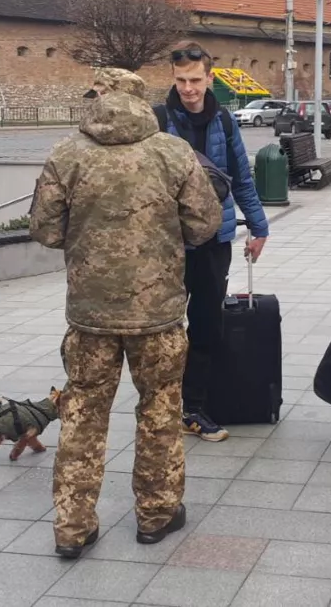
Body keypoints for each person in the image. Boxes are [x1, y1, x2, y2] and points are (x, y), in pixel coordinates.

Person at [30, 67, 222, 560]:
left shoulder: (66, 153)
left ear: (98, 97)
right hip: (157, 315)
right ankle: (156, 516)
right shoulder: (172, 152)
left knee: (83, 415)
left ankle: (72, 526)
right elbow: (204, 225)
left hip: (90, 316)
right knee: (159, 410)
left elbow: (46, 230)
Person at [158, 41, 270, 442]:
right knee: (164, 329)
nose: (188, 88)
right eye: (181, 80)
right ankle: (161, 405)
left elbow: (241, 176)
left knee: (206, 325)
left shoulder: (224, 121)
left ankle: (194, 407)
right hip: (167, 244)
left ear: (209, 77)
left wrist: (259, 228)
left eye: (195, 80)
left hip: (214, 241)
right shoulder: (157, 120)